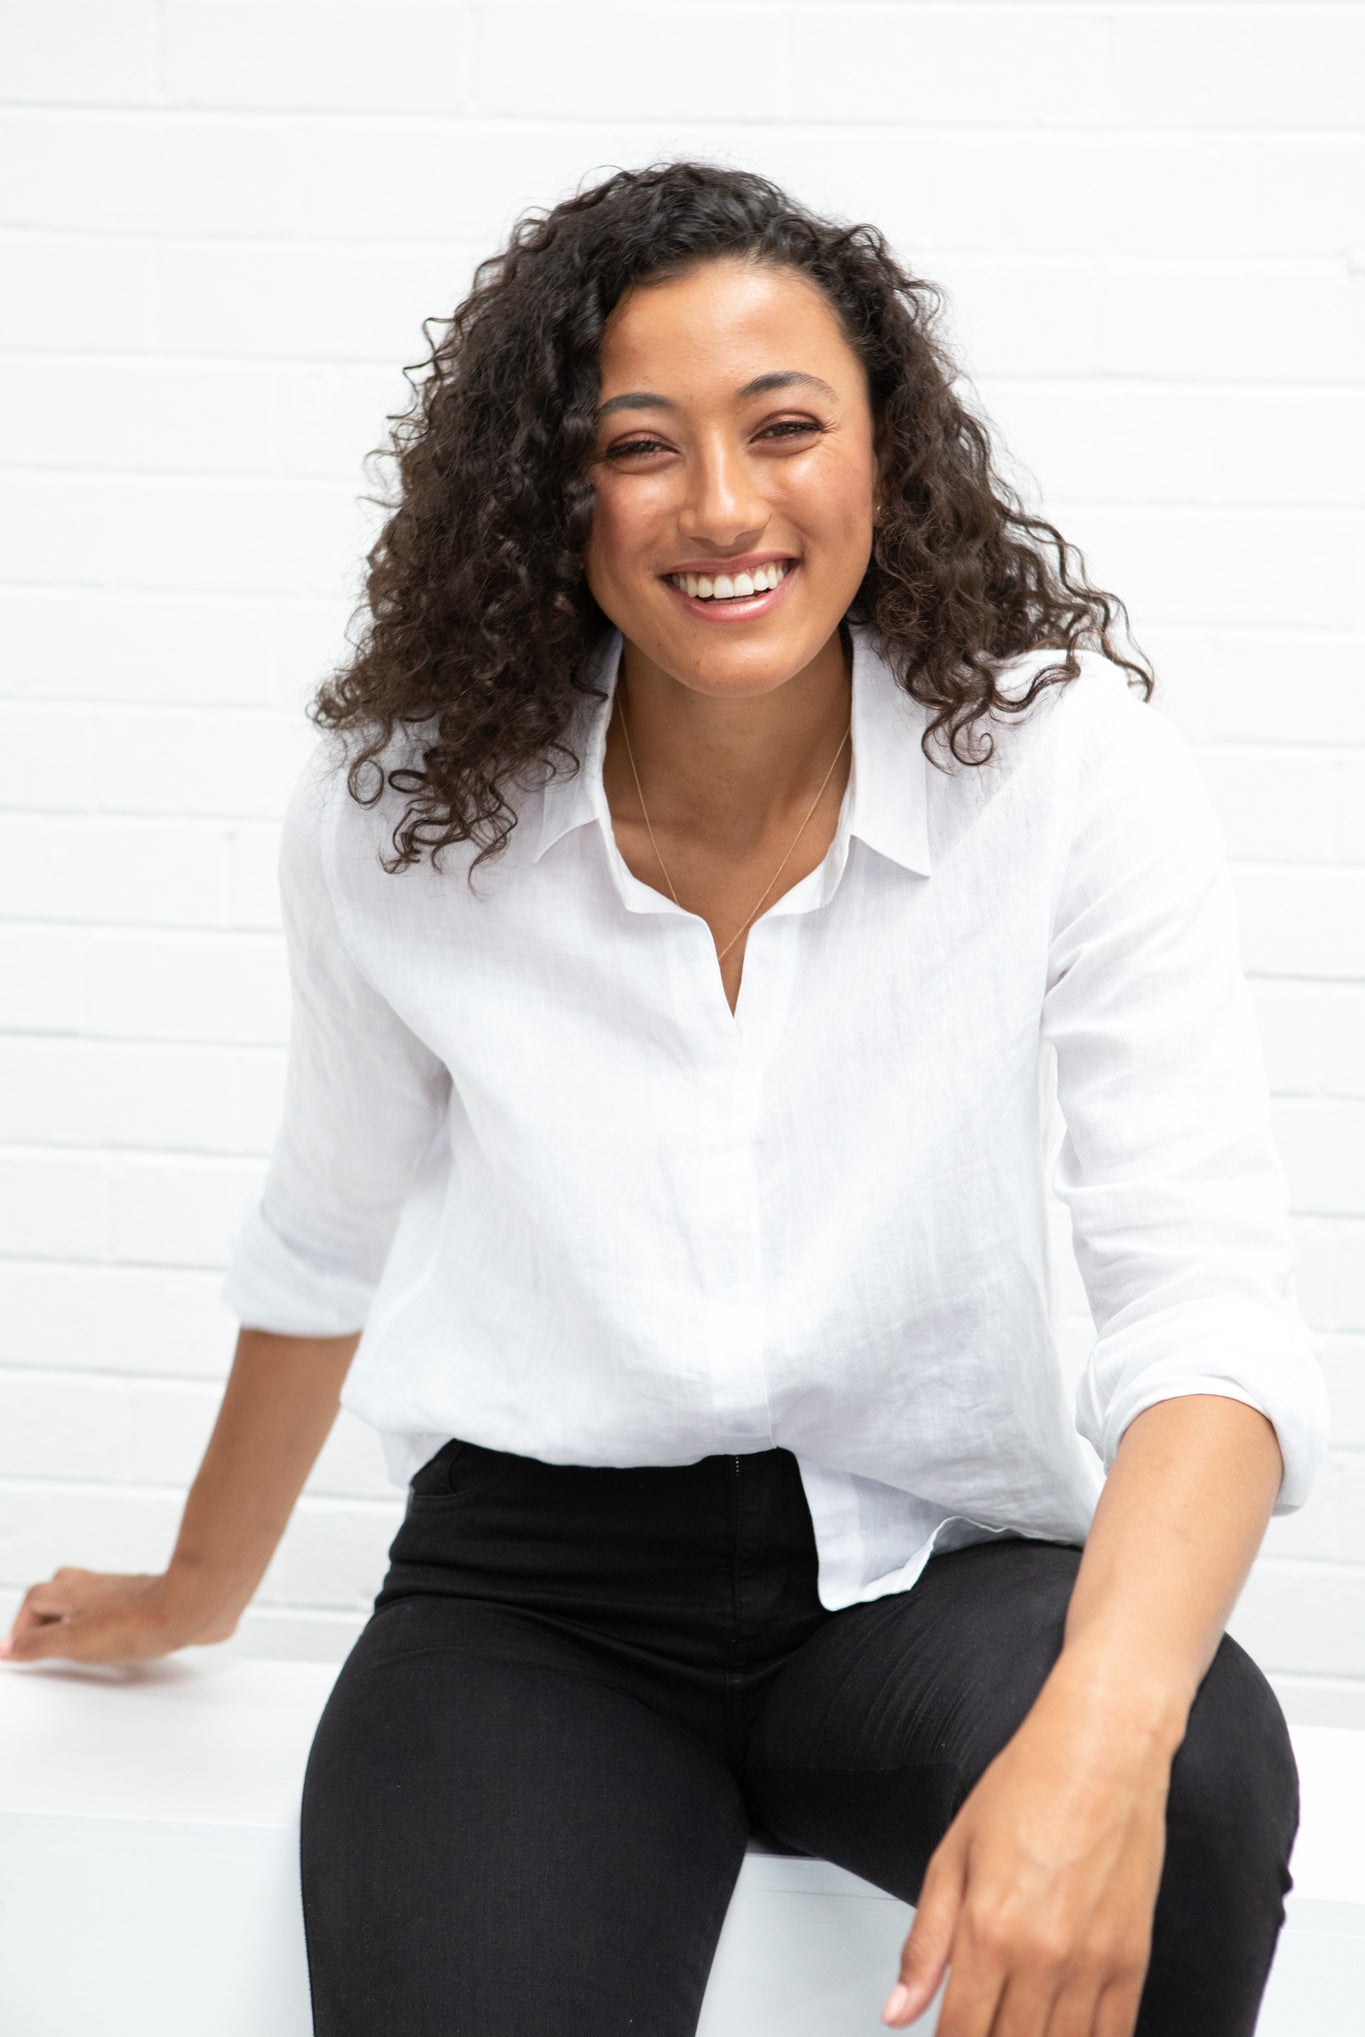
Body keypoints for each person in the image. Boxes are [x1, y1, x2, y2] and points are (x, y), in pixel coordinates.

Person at [1, 161, 1329, 2037]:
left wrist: (1103, 1737)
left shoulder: (1063, 771)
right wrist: (190, 1586)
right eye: (640, 446)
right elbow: (329, 1213)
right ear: (555, 491)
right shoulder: (400, 821)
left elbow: (1198, 1296)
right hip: (532, 1607)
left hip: (929, 1575)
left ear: (887, 451)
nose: (723, 506)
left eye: (784, 426)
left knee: (1190, 1780)